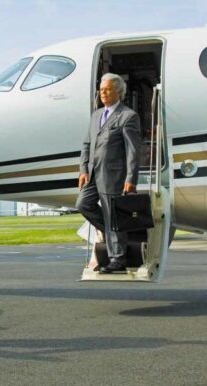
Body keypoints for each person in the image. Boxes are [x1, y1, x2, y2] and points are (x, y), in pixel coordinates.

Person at [77, 73, 142, 273]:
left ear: (118, 92)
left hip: (114, 175)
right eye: (101, 90)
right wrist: (83, 169)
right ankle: (108, 231)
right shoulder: (96, 115)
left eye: (107, 89)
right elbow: (87, 144)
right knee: (83, 204)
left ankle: (118, 258)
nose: (103, 93)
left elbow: (133, 150)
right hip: (93, 174)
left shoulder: (128, 116)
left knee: (113, 214)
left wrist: (131, 179)